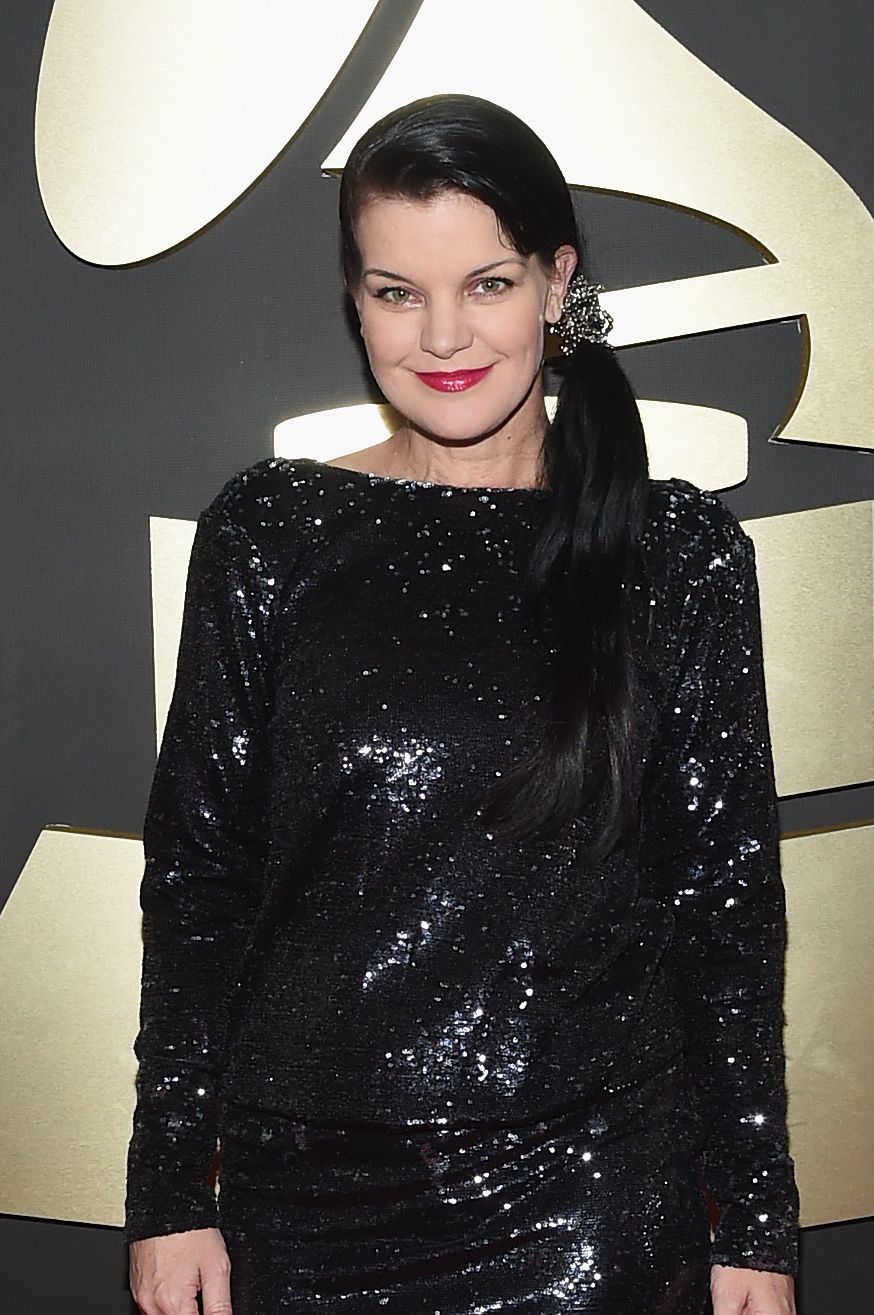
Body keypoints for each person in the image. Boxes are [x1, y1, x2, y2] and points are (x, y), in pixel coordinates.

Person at [124, 94, 800, 1315]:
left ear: (555, 283)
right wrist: (171, 1190)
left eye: (485, 284)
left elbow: (724, 901)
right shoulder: (273, 531)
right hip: (305, 1197)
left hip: (589, 1193)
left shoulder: (679, 551)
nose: (441, 334)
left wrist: (755, 1221)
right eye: (396, 291)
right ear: (354, 298)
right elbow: (199, 880)